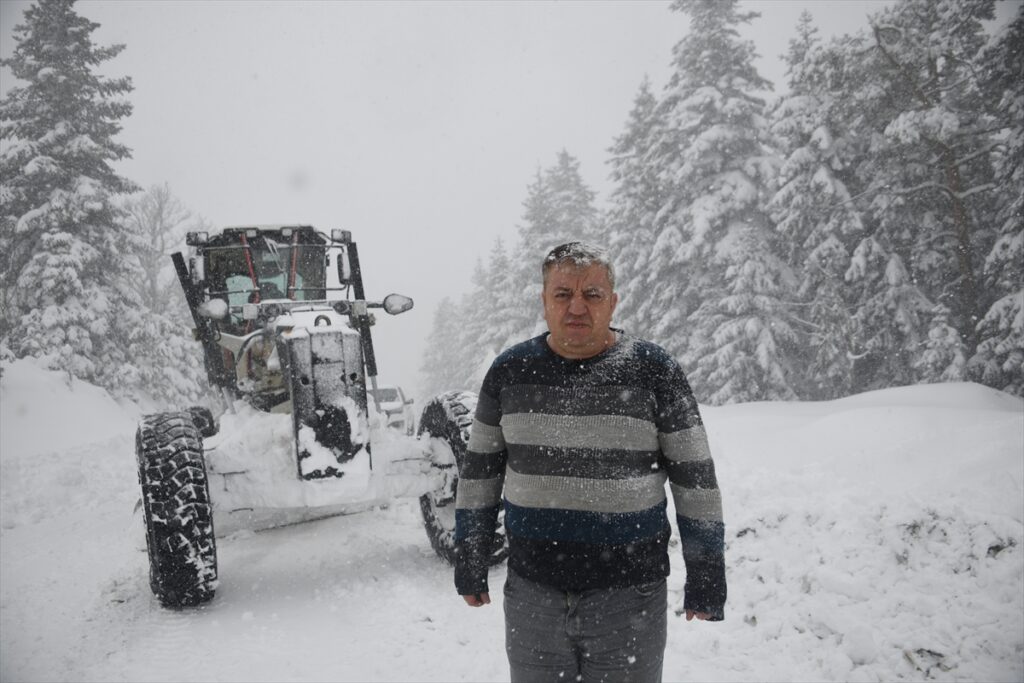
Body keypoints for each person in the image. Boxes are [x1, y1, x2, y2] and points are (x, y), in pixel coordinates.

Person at [455, 241, 726, 682]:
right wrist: (471, 555)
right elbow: (479, 475)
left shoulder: (654, 371)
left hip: (630, 599)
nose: (577, 307)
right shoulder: (509, 372)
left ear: (612, 301)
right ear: (544, 300)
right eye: (563, 294)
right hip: (533, 598)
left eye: (592, 294)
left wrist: (707, 572)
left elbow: (695, 481)